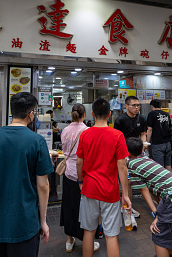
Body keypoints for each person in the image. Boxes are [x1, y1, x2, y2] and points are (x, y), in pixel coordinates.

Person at [0, 92, 53, 257]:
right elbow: (43, 186)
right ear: (30, 113)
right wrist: (43, 221)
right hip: (24, 223)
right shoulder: (36, 141)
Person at [76, 98, 131, 257]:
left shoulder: (85, 134)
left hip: (89, 188)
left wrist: (81, 181)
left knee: (88, 231)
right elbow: (122, 166)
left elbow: (79, 162)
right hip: (110, 191)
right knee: (111, 235)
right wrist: (125, 194)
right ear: (109, 114)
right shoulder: (117, 135)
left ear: (92, 113)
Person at [126, 137, 172, 257]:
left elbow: (143, 190)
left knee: (160, 234)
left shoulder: (132, 164)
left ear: (127, 151)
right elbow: (151, 189)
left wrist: (156, 212)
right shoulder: (145, 158)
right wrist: (160, 211)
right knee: (170, 233)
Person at [60, 104, 99, 253]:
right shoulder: (87, 131)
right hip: (84, 175)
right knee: (86, 208)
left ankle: (69, 241)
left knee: (69, 205)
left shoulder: (65, 130)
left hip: (68, 174)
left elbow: (65, 150)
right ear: (85, 115)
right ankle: (87, 240)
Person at [114, 95, 147, 225]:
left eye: (138, 105)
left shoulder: (142, 118)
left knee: (139, 179)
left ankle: (129, 205)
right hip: (124, 154)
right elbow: (117, 138)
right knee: (126, 181)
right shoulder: (120, 120)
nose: (137, 107)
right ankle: (128, 207)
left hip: (138, 153)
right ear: (126, 106)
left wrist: (143, 146)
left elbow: (143, 133)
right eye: (134, 105)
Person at [146, 99, 172, 172]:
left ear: (152, 106)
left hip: (158, 143)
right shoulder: (167, 114)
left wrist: (147, 143)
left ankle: (161, 183)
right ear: (160, 106)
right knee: (168, 165)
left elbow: (149, 129)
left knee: (159, 167)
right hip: (167, 143)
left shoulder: (152, 114)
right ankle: (170, 182)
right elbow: (171, 127)